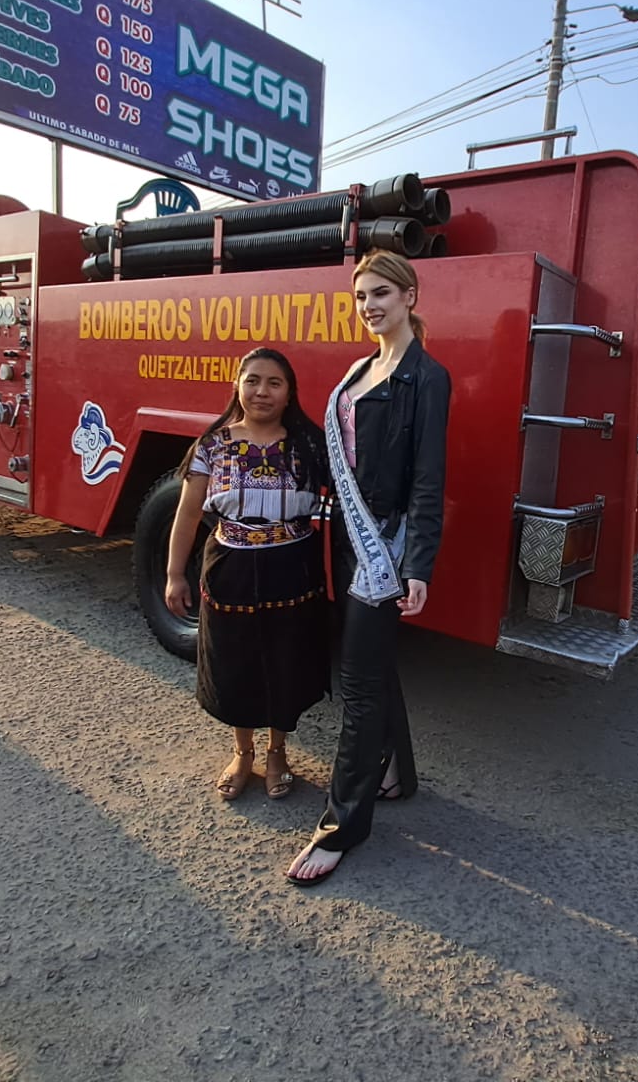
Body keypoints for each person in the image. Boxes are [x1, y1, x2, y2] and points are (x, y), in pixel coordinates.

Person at [286, 249, 451, 886]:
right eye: (361, 298)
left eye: (382, 293)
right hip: (348, 539)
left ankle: (342, 825)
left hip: (385, 547)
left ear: (410, 296)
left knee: (357, 681)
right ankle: (396, 774)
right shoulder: (361, 368)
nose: (370, 307)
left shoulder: (427, 378)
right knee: (372, 664)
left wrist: (419, 563)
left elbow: (428, 481)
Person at [164, 348, 330, 800]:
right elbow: (188, 512)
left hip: (293, 564)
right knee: (236, 661)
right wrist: (175, 574)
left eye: (274, 382)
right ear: (237, 386)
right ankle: (243, 752)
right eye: (253, 380)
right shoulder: (212, 444)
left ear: (289, 391)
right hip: (230, 565)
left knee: (285, 660)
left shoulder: (309, 444)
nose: (262, 391)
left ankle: (278, 751)